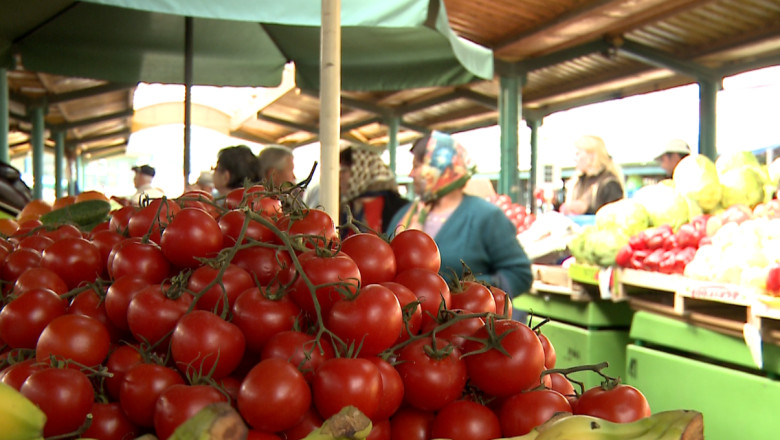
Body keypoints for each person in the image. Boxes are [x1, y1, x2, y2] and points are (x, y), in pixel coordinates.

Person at [388, 131, 532, 297]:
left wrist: (468, 290)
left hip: (464, 312)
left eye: (417, 166)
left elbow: (520, 274)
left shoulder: (486, 217)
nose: (411, 174)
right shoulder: (405, 214)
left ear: (441, 167)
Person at [339, 146, 408, 237]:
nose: (339, 176)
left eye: (344, 171)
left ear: (362, 171)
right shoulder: (345, 207)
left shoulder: (400, 209)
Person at [559, 135, 624, 216]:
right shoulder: (579, 181)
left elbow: (614, 215)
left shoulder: (610, 183)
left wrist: (586, 209)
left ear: (591, 156)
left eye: (578, 154)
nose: (575, 159)